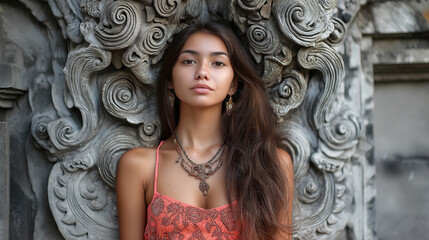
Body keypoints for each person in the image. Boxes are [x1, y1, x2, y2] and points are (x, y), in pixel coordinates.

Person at [116, 20, 294, 240]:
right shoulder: (139, 166)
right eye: (189, 61)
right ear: (170, 79)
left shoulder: (271, 162)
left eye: (218, 63)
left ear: (233, 84)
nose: (202, 72)